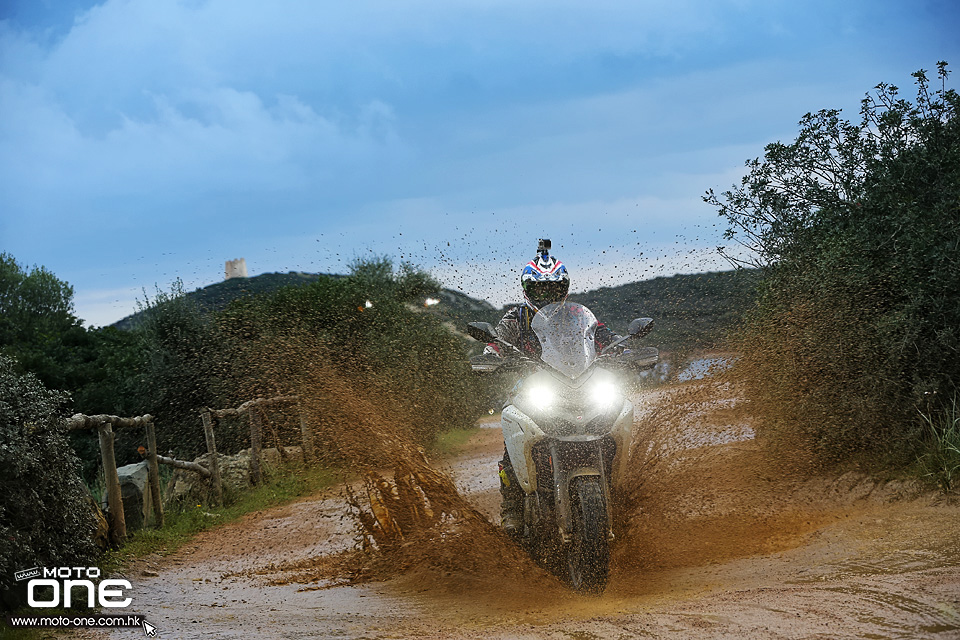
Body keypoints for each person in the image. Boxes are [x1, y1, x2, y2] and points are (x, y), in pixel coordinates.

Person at [485, 239, 623, 536]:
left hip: (581, 384)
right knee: (515, 436)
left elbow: (603, 335)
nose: (547, 295)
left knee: (616, 421)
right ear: (528, 290)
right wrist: (492, 355)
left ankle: (622, 494)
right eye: (540, 290)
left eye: (554, 289)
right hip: (533, 387)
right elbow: (497, 342)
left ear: (564, 289)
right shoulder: (516, 318)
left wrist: (620, 348)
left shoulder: (578, 316)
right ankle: (511, 509)